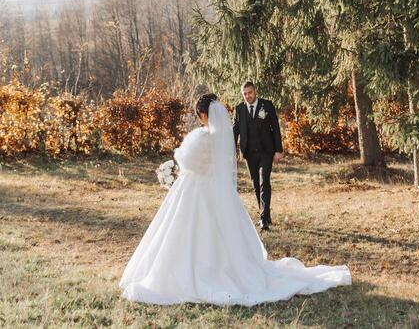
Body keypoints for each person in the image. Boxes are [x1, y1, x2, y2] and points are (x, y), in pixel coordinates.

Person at [119, 93, 351, 306]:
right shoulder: (220, 138)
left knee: (184, 232)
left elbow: (186, 160)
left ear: (203, 114)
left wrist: (173, 164)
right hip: (215, 191)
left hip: (195, 190)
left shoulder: (201, 136)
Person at [232, 80, 282, 230]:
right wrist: (230, 151)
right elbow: (235, 131)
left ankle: (263, 218)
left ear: (255, 92)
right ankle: (264, 213)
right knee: (255, 184)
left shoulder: (267, 105)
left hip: (267, 151)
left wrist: (278, 150)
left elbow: (276, 128)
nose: (248, 96)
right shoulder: (239, 109)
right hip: (249, 153)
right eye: (245, 94)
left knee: (264, 182)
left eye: (250, 93)